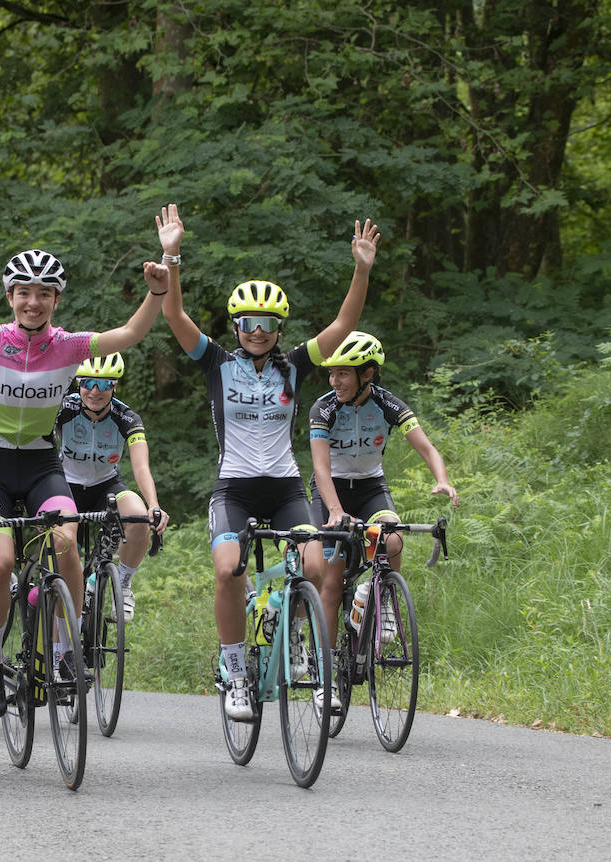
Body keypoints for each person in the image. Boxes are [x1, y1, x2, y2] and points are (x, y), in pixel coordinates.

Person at [0, 207, 180, 718]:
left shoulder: (69, 347)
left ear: (56, 300)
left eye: (44, 293)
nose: (33, 302)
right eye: (24, 292)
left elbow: (129, 334)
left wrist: (156, 291)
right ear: (9, 296)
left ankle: (65, 653)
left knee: (65, 542)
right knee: (0, 564)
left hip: (41, 465)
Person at [161, 214, 381, 721]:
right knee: (229, 570)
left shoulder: (294, 365)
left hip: (284, 487)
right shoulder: (217, 363)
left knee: (314, 568)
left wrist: (362, 270)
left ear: (279, 328)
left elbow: (343, 326)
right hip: (234, 490)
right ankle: (236, 671)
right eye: (248, 322)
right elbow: (173, 313)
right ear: (236, 327)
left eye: (266, 323)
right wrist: (172, 257)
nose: (257, 331)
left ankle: (303, 645)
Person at [306, 330, 460, 689]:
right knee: (331, 583)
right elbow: (321, 469)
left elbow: (427, 448)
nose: (334, 381)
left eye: (343, 373)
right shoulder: (323, 408)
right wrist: (334, 511)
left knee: (392, 539)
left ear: (368, 374)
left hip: (371, 488)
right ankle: (325, 673)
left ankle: (382, 598)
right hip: (331, 490)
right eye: (332, 373)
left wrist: (442, 479)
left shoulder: (389, 404)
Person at [54, 352, 169, 621]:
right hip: (64, 485)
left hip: (106, 484)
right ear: (78, 383)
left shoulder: (126, 418)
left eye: (104, 384)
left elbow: (141, 467)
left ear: (114, 386)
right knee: (62, 549)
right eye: (87, 383)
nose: (95, 391)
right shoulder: (63, 409)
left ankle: (124, 586)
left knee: (138, 519)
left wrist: (153, 505)